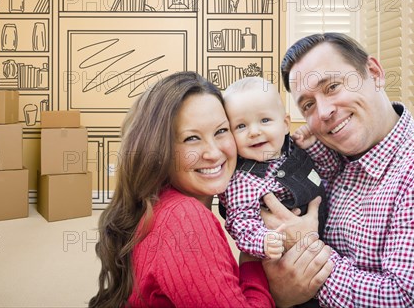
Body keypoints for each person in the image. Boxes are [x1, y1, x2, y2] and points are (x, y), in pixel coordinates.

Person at [261, 32, 414, 307]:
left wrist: (305, 253)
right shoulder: (334, 157)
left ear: (375, 73)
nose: (323, 112)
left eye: (332, 87)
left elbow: (412, 302)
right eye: (308, 105)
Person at [89, 71, 290, 308]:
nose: (214, 153)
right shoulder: (184, 219)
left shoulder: (160, 204)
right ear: (159, 150)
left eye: (221, 131)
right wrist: (257, 267)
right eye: (191, 138)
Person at [218, 76, 330, 308]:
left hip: (324, 246)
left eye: (265, 120)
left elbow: (327, 172)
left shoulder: (294, 150)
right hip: (282, 264)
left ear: (285, 124)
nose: (254, 132)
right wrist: (262, 240)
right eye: (241, 126)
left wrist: (314, 145)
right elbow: (240, 222)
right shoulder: (244, 179)